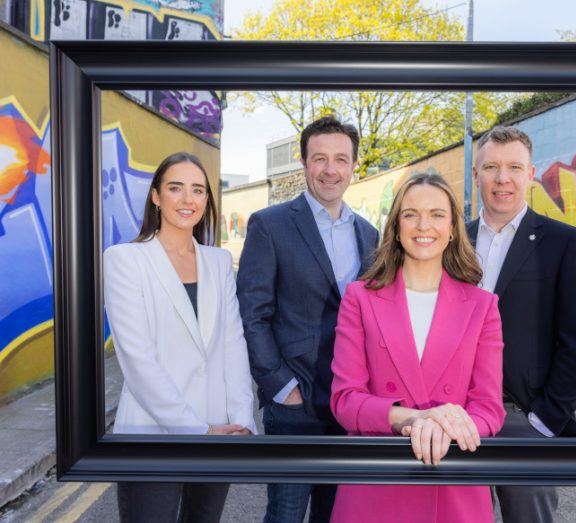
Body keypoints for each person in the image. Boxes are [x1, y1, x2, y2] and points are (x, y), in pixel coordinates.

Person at [330, 173, 505, 523]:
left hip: (454, 481)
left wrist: (448, 425)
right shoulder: (359, 298)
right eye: (411, 214)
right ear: (395, 227)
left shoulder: (483, 305)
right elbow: (345, 401)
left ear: (453, 227)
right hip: (377, 483)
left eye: (437, 214)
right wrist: (416, 419)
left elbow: (489, 408)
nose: (424, 225)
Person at [236, 116, 380, 523]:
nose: (330, 170)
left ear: (354, 165)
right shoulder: (271, 224)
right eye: (319, 159)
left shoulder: (370, 234)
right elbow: (253, 314)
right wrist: (280, 386)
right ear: (304, 163)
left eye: (340, 159)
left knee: (336, 514)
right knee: (285, 513)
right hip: (292, 402)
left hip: (348, 401)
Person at [103, 152, 256, 523]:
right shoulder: (124, 259)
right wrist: (198, 431)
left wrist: (241, 422)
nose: (188, 200)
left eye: (198, 190)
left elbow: (233, 345)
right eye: (176, 188)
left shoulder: (219, 262)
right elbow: (137, 361)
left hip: (220, 429)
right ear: (156, 196)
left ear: (207, 200)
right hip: (151, 433)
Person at [466, 126, 576, 523]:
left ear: (531, 174)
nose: (502, 178)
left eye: (513, 167)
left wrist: (545, 420)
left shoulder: (563, 242)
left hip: (522, 416)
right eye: (491, 167)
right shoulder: (454, 239)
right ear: (476, 175)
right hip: (454, 412)